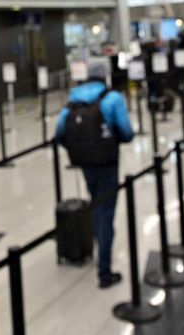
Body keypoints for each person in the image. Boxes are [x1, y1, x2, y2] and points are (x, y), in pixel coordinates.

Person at [55, 61, 134, 288]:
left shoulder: (72, 101)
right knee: (106, 211)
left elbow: (59, 134)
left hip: (85, 163)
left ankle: (100, 247)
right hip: (107, 162)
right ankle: (105, 272)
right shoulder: (112, 99)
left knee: (96, 204)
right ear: (104, 78)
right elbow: (127, 133)